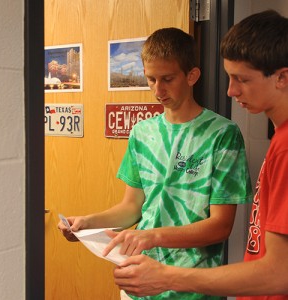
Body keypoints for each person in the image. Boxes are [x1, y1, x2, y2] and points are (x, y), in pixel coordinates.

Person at [58, 27, 252, 299]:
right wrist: (87, 223)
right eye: (151, 79)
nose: (158, 90)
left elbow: (220, 226)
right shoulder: (141, 132)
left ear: (192, 76)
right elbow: (132, 207)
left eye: (168, 79)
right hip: (139, 280)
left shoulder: (222, 134)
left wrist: (153, 236)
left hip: (193, 288)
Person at [113, 9, 288, 300]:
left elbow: (278, 273)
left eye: (241, 79)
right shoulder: (280, 141)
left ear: (282, 77)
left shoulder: (245, 139)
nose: (230, 91)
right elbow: (132, 206)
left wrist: (166, 275)